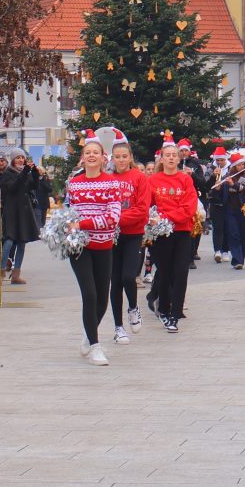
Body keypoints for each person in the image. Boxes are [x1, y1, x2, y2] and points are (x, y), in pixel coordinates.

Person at [66, 132, 123, 366]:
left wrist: (82, 224)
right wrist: (67, 226)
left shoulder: (112, 183)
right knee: (89, 295)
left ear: (103, 157)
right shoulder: (73, 184)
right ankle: (95, 346)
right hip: (79, 247)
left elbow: (113, 218)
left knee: (102, 299)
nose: (91, 156)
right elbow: (69, 214)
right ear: (82, 157)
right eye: (87, 152)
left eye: (95, 153)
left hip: (104, 244)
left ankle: (88, 335)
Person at [148, 142, 199, 332]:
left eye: (174, 155)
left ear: (179, 159)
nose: (170, 158)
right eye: (167, 155)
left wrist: (166, 217)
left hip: (181, 231)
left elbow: (189, 208)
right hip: (160, 234)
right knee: (165, 272)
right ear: (161, 159)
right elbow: (148, 205)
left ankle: (175, 313)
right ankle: (163, 308)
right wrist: (154, 219)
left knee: (181, 271)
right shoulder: (153, 180)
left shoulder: (185, 180)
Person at [108, 141, 150, 343]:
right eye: (117, 157)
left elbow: (142, 209)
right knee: (115, 281)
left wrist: (116, 218)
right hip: (112, 237)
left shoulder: (139, 178)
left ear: (131, 157)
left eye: (125, 156)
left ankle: (133, 307)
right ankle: (118, 327)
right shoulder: (108, 178)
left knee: (128, 277)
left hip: (133, 234)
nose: (121, 160)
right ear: (112, 158)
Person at [0, 153, 41, 285]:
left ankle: (16, 274)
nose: (21, 160)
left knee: (22, 242)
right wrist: (25, 173)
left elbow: (33, 187)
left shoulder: (25, 172)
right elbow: (13, 187)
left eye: (22, 158)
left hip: (24, 211)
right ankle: (1, 272)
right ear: (13, 160)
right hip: (12, 211)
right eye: (18, 157)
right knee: (9, 240)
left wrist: (34, 173)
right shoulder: (7, 173)